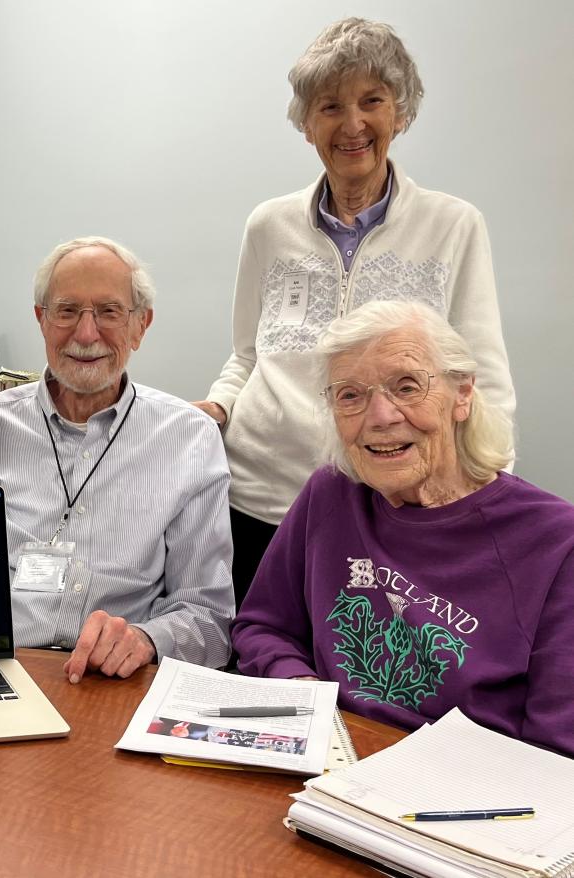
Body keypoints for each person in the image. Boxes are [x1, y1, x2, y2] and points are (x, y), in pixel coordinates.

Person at [193, 18, 515, 607]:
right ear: (308, 123)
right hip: (257, 501)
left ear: (401, 112)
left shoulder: (453, 225)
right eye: (330, 106)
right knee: (260, 663)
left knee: (375, 682)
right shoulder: (269, 225)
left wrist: (486, 502)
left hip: (389, 505)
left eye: (372, 100)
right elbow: (246, 356)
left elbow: (482, 375)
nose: (353, 124)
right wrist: (216, 406)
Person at [232, 302, 574, 756]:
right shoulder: (331, 493)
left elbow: (556, 749)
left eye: (406, 386)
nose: (381, 416)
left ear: (463, 394)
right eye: (350, 395)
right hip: (323, 758)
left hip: (458, 791)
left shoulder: (556, 541)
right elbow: (263, 626)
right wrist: (300, 688)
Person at [0, 237, 234, 683]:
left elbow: (210, 619)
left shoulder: (189, 439)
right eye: (67, 310)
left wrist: (148, 639)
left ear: (141, 325)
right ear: (41, 319)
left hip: (112, 684)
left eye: (109, 312)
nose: (86, 333)